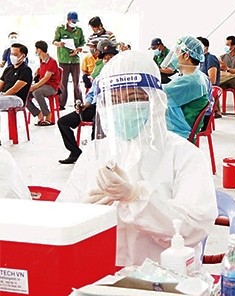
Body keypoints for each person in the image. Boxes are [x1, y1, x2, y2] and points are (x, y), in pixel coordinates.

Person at [57, 50, 218, 268]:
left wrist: (136, 198)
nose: (124, 108)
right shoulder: (95, 153)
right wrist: (83, 212)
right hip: (99, 277)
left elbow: (194, 228)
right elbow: (61, 216)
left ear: (156, 101)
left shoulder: (184, 155)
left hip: (165, 282)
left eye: (134, 98)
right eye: (114, 100)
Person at [56, 40, 117, 164]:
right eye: (106, 58)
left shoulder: (121, 75)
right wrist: (85, 105)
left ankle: (97, 156)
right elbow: (91, 95)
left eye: (111, 57)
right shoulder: (100, 77)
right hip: (95, 106)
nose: (108, 60)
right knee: (63, 122)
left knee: (98, 122)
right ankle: (75, 152)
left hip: (111, 107)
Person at [161, 36, 210, 139]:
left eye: (177, 51)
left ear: (186, 55)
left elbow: (158, 93)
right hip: (181, 129)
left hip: (178, 133)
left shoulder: (189, 81)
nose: (174, 55)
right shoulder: (196, 76)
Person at [53, 11, 85, 109]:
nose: (74, 23)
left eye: (75, 21)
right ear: (68, 20)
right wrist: (59, 44)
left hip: (75, 60)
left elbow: (83, 43)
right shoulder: (60, 29)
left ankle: (78, 103)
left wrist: (78, 49)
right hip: (63, 60)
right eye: (72, 21)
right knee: (63, 83)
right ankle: (61, 104)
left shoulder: (79, 30)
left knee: (76, 83)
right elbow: (54, 41)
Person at [27, 41, 61, 126]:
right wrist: (38, 70)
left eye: (36, 49)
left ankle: (48, 115)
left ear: (39, 50)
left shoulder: (52, 61)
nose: (35, 51)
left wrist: (34, 86)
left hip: (51, 87)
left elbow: (46, 78)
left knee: (36, 92)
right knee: (25, 93)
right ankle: (38, 113)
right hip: (43, 85)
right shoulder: (41, 60)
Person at [0, 43, 32, 112]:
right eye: (11, 54)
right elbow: (0, 85)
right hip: (4, 96)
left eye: (15, 54)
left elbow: (14, 89)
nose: (12, 56)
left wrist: (3, 95)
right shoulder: (8, 69)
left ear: (23, 56)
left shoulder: (26, 70)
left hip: (17, 98)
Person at [197, 36, 221, 119]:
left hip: (207, 91)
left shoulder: (210, 58)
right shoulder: (200, 61)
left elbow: (212, 80)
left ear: (205, 48)